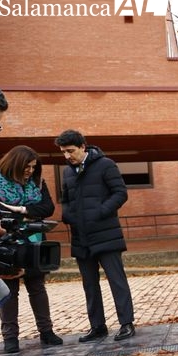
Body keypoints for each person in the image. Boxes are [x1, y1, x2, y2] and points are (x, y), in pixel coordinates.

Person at [55, 130, 136, 342]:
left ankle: (126, 323)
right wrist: (68, 215)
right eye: (63, 152)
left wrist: (99, 212)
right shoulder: (68, 172)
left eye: (70, 151)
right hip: (81, 237)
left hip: (106, 234)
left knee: (116, 280)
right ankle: (97, 326)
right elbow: (66, 198)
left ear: (82, 146)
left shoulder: (106, 165)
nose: (67, 156)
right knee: (89, 284)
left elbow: (120, 193)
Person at [0, 146, 62, 353]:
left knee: (37, 287)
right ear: (15, 164)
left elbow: (48, 208)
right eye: (27, 167)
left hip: (35, 240)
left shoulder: (37, 182)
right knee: (10, 291)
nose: (30, 171)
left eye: (33, 167)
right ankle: (10, 338)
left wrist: (22, 211)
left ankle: (47, 332)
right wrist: (27, 216)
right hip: (6, 241)